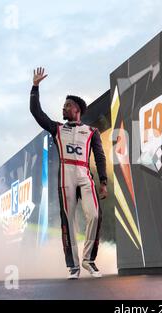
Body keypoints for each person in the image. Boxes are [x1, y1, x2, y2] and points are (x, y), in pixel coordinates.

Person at [30, 67, 108, 279]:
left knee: (95, 214)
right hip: (65, 175)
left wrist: (103, 181)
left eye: (67, 106)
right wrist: (35, 87)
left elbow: (100, 157)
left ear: (77, 110)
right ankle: (73, 265)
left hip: (84, 174)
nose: (63, 108)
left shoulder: (92, 131)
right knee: (68, 220)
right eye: (64, 105)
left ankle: (88, 260)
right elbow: (37, 114)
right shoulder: (57, 129)